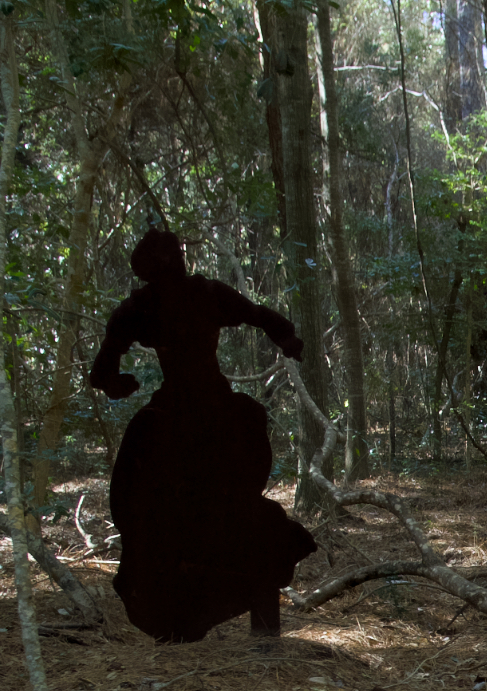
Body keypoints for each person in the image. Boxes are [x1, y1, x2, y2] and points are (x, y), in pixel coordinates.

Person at [88, 230, 317, 642]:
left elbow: (102, 372)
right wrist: (286, 338)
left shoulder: (144, 306)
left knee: (219, 519)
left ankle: (209, 628)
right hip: (208, 410)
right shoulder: (195, 296)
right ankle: (231, 631)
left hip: (196, 411)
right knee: (222, 519)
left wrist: (120, 384)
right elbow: (263, 317)